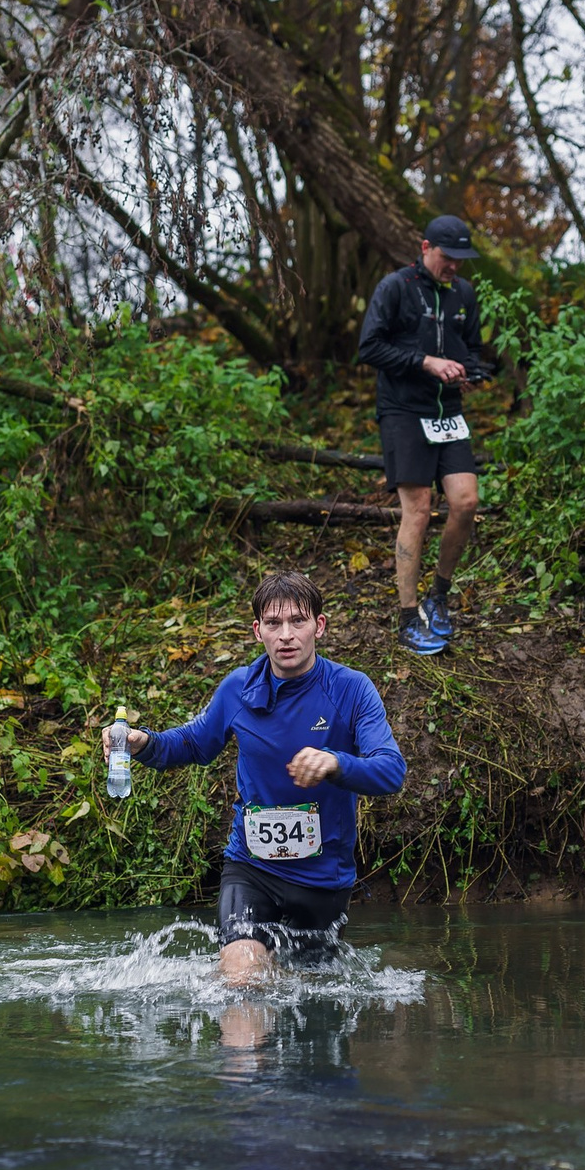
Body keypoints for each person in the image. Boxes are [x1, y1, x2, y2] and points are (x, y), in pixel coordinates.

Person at [112, 571, 406, 989]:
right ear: (258, 631)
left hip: (322, 881)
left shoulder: (352, 690)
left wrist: (334, 763)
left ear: (319, 626)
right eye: (273, 624)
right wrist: (144, 744)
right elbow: (195, 744)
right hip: (251, 869)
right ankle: (244, 1053)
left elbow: (391, 770)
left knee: (307, 1002)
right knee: (242, 977)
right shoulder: (238, 688)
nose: (286, 635)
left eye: (298, 622)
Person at [356, 214, 491, 656]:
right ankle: (408, 616)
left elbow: (473, 349)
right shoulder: (395, 287)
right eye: (448, 257)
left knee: (466, 502)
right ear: (425, 246)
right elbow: (369, 347)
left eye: (461, 260)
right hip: (403, 410)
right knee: (418, 510)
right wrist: (425, 362)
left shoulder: (464, 294)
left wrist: (471, 373)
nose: (454, 266)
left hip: (447, 412)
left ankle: (439, 596)